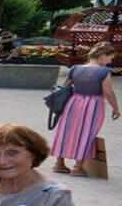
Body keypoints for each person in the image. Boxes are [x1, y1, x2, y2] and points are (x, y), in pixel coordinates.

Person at [51, 43, 119, 176]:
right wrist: (116, 108)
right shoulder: (104, 72)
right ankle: (77, 167)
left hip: (73, 102)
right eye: (110, 58)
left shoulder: (75, 68)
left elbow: (65, 86)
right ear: (102, 56)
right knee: (86, 133)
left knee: (65, 130)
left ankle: (59, 164)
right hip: (93, 104)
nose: (110, 61)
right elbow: (108, 92)